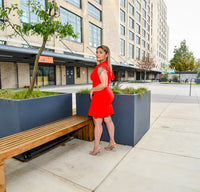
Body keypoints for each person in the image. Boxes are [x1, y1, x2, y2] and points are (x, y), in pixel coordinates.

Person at [88, 45, 116, 155]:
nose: (98, 54)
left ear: (106, 55)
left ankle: (96, 148)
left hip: (101, 95)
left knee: (98, 123)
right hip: (107, 95)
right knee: (107, 119)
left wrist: (92, 89)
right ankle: (112, 142)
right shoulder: (105, 66)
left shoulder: (101, 67)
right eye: (97, 52)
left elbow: (103, 84)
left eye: (101, 52)